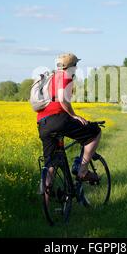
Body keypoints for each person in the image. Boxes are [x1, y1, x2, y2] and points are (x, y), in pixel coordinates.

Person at [37, 53, 101, 182]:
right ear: (72, 66)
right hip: (59, 120)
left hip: (42, 122)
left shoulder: (49, 78)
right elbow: (62, 99)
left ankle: (46, 198)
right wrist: (74, 115)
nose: (77, 68)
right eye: (76, 65)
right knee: (95, 132)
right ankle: (82, 171)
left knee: (50, 165)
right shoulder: (65, 77)